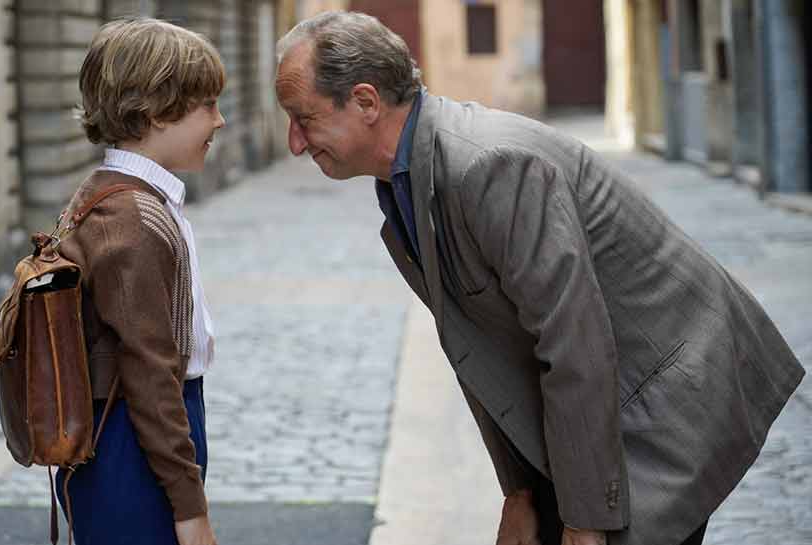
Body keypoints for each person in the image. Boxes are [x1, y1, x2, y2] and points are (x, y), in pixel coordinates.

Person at [274, 11, 805, 545]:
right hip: (604, 408)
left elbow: (575, 347)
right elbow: (482, 351)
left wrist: (585, 521)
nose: (296, 142)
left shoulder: (488, 166)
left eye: (305, 118)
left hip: (673, 392)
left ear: (366, 102)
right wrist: (519, 493)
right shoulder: (408, 183)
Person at [54, 17, 224, 545]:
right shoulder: (133, 218)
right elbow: (150, 372)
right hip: (132, 436)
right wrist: (190, 507)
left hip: (133, 430)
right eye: (207, 106)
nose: (220, 122)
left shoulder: (112, 193)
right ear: (154, 112)